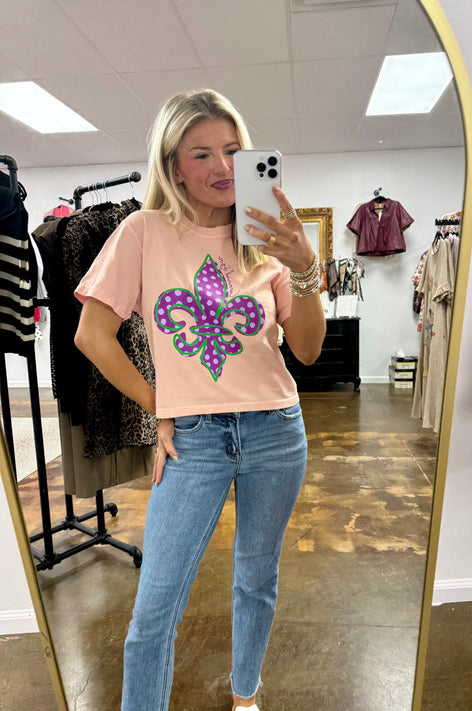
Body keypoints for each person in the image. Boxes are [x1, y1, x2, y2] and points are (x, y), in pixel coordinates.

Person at [74, 88, 326, 711]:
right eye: (202, 153)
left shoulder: (266, 240)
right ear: (173, 165)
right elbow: (91, 335)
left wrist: (305, 269)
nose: (223, 167)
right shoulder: (143, 232)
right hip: (195, 439)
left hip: (276, 429)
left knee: (256, 578)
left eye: (234, 151)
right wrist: (158, 403)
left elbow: (307, 350)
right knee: (155, 606)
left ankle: (246, 697)